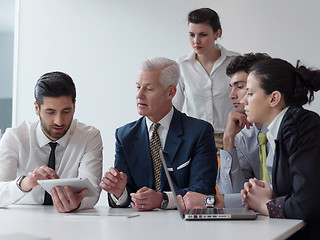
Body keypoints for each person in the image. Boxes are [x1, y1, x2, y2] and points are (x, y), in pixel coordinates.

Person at [99, 57, 217, 212]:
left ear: (170, 92)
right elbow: (125, 196)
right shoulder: (124, 135)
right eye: (138, 87)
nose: (139, 95)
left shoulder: (199, 132)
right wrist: (119, 191)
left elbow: (204, 190)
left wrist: (163, 199)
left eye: (148, 89)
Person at [177, 53, 273, 209]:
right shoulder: (244, 135)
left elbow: (282, 194)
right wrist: (228, 140)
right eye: (232, 87)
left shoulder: (289, 130)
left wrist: (212, 201)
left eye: (241, 87)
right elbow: (232, 194)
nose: (232, 95)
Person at [0, 72, 103, 213]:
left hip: (71, 222)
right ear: (37, 108)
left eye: (66, 111)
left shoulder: (89, 136)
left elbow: (92, 190)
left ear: (74, 105)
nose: (59, 121)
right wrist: (26, 183)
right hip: (22, 219)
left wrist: (77, 203)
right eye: (50, 112)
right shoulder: (14, 137)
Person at [240, 58, 320, 238]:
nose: (243, 100)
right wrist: (270, 191)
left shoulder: (299, 125)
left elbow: (306, 205)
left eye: (250, 93)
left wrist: (263, 204)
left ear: (274, 98)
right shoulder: (284, 127)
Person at [173, 8, 239, 156]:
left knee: (232, 178)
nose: (196, 41)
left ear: (217, 33)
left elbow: (246, 101)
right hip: (196, 140)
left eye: (203, 35)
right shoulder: (182, 65)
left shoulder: (235, 62)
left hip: (232, 138)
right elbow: (174, 107)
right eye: (191, 35)